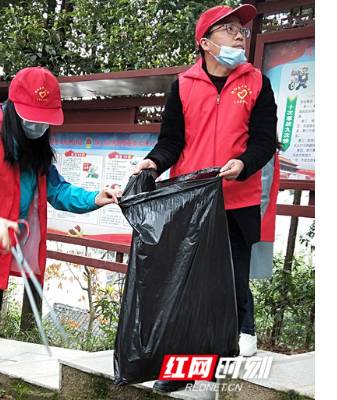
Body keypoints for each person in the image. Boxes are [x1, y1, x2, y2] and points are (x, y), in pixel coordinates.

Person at [0, 66, 122, 400]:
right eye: (32, 116)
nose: (38, 125)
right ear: (13, 107)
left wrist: (93, 199)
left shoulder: (35, 148)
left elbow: (56, 190)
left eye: (45, 119)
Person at [131, 4, 278, 392]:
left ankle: (215, 370)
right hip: (191, 204)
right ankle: (181, 371)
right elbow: (171, 142)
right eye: (229, 29)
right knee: (184, 289)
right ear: (206, 42)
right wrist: (151, 163)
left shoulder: (258, 83)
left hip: (237, 203)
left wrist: (243, 163)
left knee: (228, 291)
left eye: (242, 30)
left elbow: (264, 142)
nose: (239, 36)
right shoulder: (182, 85)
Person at [239, 143, 281, 356]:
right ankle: (241, 332)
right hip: (231, 218)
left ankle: (247, 332)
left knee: (238, 276)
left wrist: (250, 226)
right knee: (231, 276)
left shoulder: (261, 147)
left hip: (248, 221)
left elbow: (262, 191)